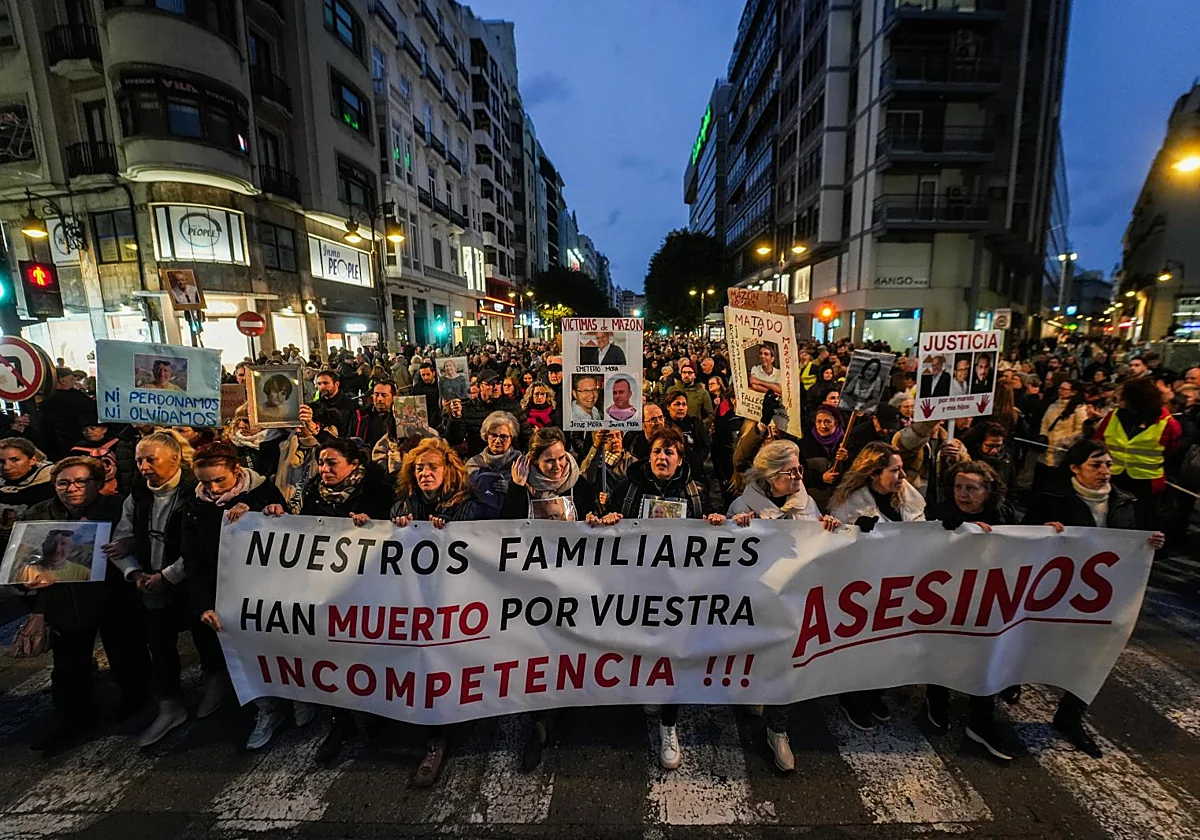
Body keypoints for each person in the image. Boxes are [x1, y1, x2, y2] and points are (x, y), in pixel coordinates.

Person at [1022, 439, 1165, 757]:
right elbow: (1021, 536)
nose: (1105, 472)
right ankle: (1010, 680)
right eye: (1096, 465)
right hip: (1051, 594)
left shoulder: (1126, 501)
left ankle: (1070, 717)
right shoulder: (1052, 498)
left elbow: (1136, 539)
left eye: (1108, 465)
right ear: (1074, 468)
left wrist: (1152, 542)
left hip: (1102, 598)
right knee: (1032, 645)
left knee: (1095, 656)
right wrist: (1042, 531)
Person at [601, 426, 729, 770]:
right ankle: (651, 691)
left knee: (675, 654)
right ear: (649, 454)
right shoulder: (627, 488)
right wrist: (609, 518)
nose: (662, 457)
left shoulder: (696, 492)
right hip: (637, 587)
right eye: (657, 451)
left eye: (669, 453)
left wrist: (717, 522)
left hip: (680, 592)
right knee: (645, 648)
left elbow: (715, 533)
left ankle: (668, 724)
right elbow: (605, 530)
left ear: (680, 459)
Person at [263, 437, 393, 764]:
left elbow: (398, 532)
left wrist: (376, 524)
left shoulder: (378, 490)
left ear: (353, 464)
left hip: (370, 587)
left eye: (332, 462)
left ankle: (378, 713)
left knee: (370, 651)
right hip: (329, 589)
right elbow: (302, 530)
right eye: (321, 462)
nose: (324, 468)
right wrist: (280, 516)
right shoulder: (313, 493)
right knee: (334, 652)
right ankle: (342, 720)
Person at [102, 432, 228, 748]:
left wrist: (168, 576)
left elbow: (203, 547)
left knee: (204, 636)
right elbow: (123, 537)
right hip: (151, 584)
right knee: (158, 644)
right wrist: (134, 573)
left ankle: (216, 681)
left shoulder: (197, 492)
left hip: (190, 583)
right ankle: (169, 705)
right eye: (140, 460)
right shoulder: (138, 497)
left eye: (150, 459)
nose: (143, 466)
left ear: (174, 459)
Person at [180, 442, 307, 750]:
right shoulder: (194, 506)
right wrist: (202, 606)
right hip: (227, 597)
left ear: (236, 472)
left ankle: (302, 698)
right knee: (248, 657)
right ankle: (267, 709)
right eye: (205, 482)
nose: (211, 488)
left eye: (219, 481)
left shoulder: (262, 492)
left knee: (285, 648)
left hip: (271, 591)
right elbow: (193, 560)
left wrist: (273, 515)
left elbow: (293, 536)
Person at [19, 456, 150, 751]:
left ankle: (135, 700)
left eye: (81, 482)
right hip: (64, 601)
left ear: (97, 484)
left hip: (114, 596)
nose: (71, 488)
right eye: (63, 483)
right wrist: (27, 575)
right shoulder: (39, 513)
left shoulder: (118, 508)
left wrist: (129, 546)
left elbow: (141, 539)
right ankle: (74, 719)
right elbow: (23, 556)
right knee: (68, 666)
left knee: (126, 653)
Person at [726, 440, 840, 771]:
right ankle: (752, 693)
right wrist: (736, 530)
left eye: (800, 469)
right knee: (757, 651)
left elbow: (818, 548)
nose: (799, 476)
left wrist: (828, 530)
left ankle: (778, 730)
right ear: (772, 475)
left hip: (794, 597)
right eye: (792, 471)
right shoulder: (741, 507)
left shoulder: (807, 505)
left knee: (788, 661)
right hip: (757, 598)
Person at [829, 441, 925, 731]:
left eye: (902, 469)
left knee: (888, 644)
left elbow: (923, 529)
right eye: (894, 471)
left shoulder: (907, 496)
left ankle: (875, 692)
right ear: (873, 474)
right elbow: (833, 547)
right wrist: (858, 533)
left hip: (899, 584)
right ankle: (852, 696)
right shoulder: (848, 503)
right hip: (863, 590)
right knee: (860, 644)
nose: (902, 476)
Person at [1095, 376, 1182, 529]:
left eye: (1123, 395)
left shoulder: (1168, 423)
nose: (1118, 397)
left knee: (1144, 523)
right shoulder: (1113, 416)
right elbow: (1099, 440)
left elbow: (1171, 451)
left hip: (1147, 483)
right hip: (1114, 477)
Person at [501, 426, 599, 522]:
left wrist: (591, 521)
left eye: (561, 458)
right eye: (549, 461)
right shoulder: (523, 484)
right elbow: (508, 525)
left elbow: (588, 518)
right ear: (535, 460)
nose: (557, 466)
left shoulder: (579, 484)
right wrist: (517, 487)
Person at [0, 437, 56, 553]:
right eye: (1, 461)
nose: (6, 467)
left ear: (32, 460)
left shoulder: (52, 485)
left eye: (15, 460)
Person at [1036, 379, 1088, 486]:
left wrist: (1064, 441)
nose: (1060, 391)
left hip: (1062, 451)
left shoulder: (1079, 409)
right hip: (1046, 449)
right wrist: (1043, 435)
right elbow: (1045, 422)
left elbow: (1080, 430)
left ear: (1073, 392)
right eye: (1060, 388)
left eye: (1064, 389)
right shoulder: (1053, 405)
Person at [465, 411, 521, 501]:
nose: (498, 440)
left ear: (512, 438)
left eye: (503, 436)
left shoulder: (520, 463)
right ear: (486, 436)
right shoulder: (473, 464)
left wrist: (512, 489)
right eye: (493, 435)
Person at [799, 404, 845, 511]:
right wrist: (821, 478)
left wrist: (847, 459)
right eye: (819, 421)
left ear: (836, 422)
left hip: (841, 501)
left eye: (828, 421)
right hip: (815, 502)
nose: (823, 426)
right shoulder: (805, 444)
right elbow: (800, 473)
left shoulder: (846, 442)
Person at [664, 388, 710, 480]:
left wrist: (696, 460)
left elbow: (705, 446)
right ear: (668, 406)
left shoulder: (695, 424)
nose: (681, 408)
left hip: (694, 472)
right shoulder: (664, 426)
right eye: (677, 404)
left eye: (684, 404)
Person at [311, 370, 356, 436]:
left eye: (325, 383)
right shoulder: (315, 406)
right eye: (319, 384)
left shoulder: (351, 406)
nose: (322, 387)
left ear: (337, 384)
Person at [353, 380, 397, 449]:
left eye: (384, 395)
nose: (379, 399)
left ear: (393, 397)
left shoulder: (399, 418)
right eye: (376, 394)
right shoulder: (360, 416)